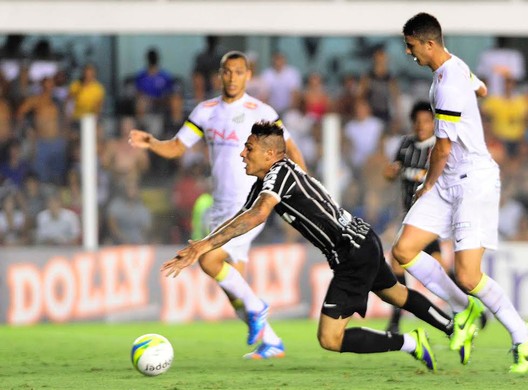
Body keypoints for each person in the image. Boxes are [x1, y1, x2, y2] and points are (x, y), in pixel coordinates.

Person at [160, 121, 467, 371]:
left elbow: (257, 215)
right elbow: (243, 216)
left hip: (352, 252)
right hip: (362, 240)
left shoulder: (280, 173)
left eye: (249, 148)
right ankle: (455, 329)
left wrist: (201, 247)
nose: (242, 154)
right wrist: (203, 245)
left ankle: (411, 343)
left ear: (270, 154)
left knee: (330, 338)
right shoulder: (268, 181)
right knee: (397, 294)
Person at [129, 51, 306, 360]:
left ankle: (259, 308)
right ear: (220, 75)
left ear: (248, 76)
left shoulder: (261, 111)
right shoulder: (206, 111)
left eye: (239, 72)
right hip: (220, 206)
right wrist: (151, 143)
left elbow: (289, 147)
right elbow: (177, 146)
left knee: (208, 259)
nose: (232, 77)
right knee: (234, 291)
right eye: (227, 72)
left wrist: (300, 185)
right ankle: (272, 341)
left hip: (252, 203)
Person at [393, 12, 528, 373]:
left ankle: (523, 333)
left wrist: (425, 187)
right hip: (449, 180)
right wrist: (475, 91)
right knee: (403, 251)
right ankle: (465, 308)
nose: (409, 53)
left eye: (411, 46)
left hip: (472, 179)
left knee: (469, 275)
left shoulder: (447, 84)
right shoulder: (454, 66)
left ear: (429, 43)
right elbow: (483, 88)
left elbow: (441, 148)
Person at [382, 101, 444, 333]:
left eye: (426, 121)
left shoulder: (439, 147)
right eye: (417, 121)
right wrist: (389, 173)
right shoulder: (406, 144)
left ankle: (469, 307)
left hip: (431, 216)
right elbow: (394, 170)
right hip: (410, 215)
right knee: (396, 262)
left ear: (433, 123)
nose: (421, 126)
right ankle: (397, 317)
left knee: (441, 269)